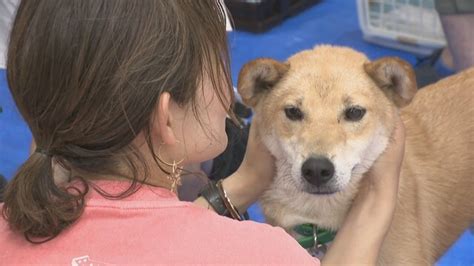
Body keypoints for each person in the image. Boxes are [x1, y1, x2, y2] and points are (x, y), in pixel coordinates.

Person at [0, 0, 405, 264]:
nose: (233, 93)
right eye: (218, 70)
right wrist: (379, 197)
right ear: (167, 116)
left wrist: (241, 186)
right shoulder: (257, 255)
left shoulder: (10, 224)